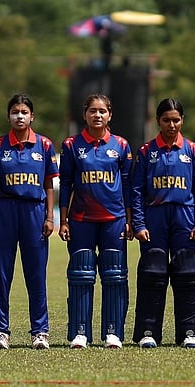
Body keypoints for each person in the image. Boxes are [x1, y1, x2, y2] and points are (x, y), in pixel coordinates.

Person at [130, 98, 195, 348]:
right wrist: (139, 224)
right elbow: (137, 190)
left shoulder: (193, 151)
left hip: (184, 219)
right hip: (155, 219)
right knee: (152, 275)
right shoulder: (146, 151)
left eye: (176, 119)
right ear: (158, 121)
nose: (171, 124)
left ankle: (189, 333)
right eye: (166, 120)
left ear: (182, 120)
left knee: (188, 275)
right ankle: (148, 332)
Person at [0, 94, 59, 350]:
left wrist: (50, 217)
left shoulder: (45, 145)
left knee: (36, 273)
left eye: (24, 112)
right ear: (9, 116)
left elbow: (49, 184)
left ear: (31, 116)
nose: (19, 116)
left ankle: (40, 331)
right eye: (15, 112)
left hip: (34, 211)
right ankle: (1, 331)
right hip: (5, 209)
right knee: (2, 274)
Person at [59, 93, 133, 349]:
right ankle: (80, 332)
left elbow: (127, 184)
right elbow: (66, 183)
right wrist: (64, 219)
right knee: (81, 274)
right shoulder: (71, 145)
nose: (97, 115)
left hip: (114, 218)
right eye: (92, 111)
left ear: (109, 115)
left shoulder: (121, 145)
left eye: (102, 111)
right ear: (85, 115)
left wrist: (129, 218)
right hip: (81, 218)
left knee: (115, 275)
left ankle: (113, 332)